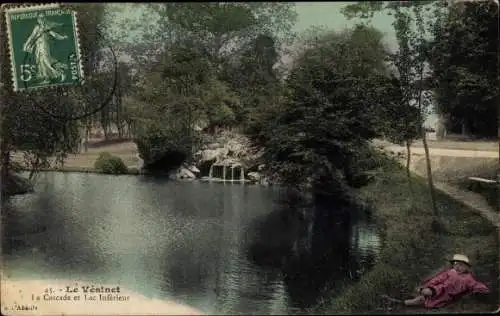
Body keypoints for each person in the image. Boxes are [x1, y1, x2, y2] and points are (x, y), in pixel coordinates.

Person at [382, 254, 490, 309]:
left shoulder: (468, 278)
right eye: (456, 265)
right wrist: (429, 285)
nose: (458, 267)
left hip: (449, 295)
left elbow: (476, 285)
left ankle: (406, 301)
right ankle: (400, 303)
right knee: (423, 296)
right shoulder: (450, 272)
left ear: (467, 267)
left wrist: (481, 290)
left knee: (424, 298)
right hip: (439, 289)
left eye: (461, 265)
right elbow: (438, 278)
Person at [22, 13, 68, 84]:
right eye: (40, 18)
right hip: (38, 46)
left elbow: (54, 34)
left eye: (43, 18)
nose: (42, 20)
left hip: (44, 46)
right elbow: (32, 37)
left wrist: (62, 37)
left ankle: (60, 73)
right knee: (41, 62)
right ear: (38, 19)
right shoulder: (37, 27)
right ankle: (47, 78)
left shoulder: (47, 26)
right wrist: (26, 45)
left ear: (44, 19)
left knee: (46, 61)